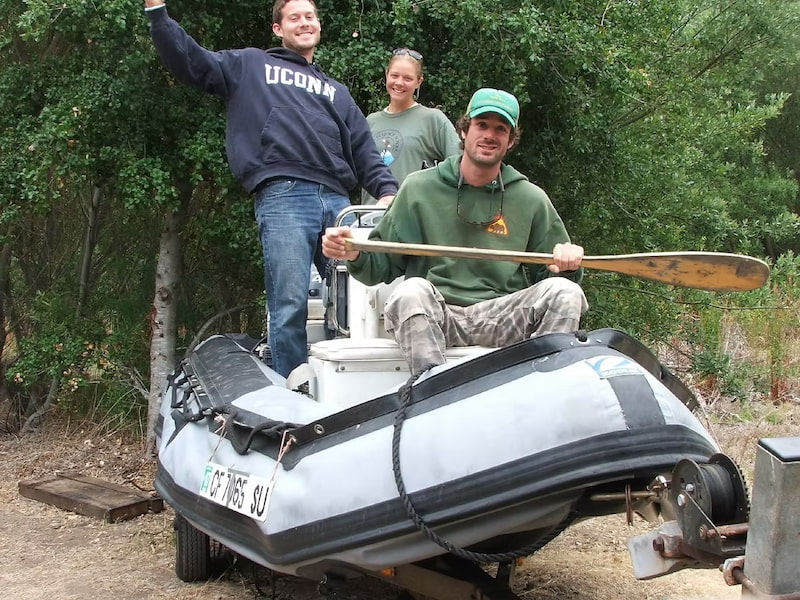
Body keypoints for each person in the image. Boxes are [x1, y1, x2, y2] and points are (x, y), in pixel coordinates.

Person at [143, 0, 398, 378]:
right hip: (284, 196)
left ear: (319, 26)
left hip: (339, 204)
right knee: (290, 305)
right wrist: (157, 13)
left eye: (310, 16)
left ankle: (347, 395)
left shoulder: (337, 92)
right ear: (278, 28)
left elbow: (364, 150)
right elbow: (191, 61)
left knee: (354, 303)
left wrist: (388, 193)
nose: (304, 22)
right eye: (294, 17)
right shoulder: (250, 65)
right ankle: (292, 402)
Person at [323, 88, 588, 375]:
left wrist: (567, 265)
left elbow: (554, 277)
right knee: (410, 292)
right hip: (437, 315)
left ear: (510, 141)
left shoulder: (531, 198)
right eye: (482, 125)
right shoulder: (418, 188)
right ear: (464, 130)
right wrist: (353, 253)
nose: (489, 135)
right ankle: (433, 395)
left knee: (566, 292)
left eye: (500, 129)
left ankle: (543, 396)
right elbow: (378, 267)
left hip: (503, 318)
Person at [362, 48, 461, 206]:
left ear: (419, 81)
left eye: (408, 78)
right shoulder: (370, 121)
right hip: (371, 218)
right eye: (394, 75)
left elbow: (459, 167)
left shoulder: (433, 119)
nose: (399, 83)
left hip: (415, 219)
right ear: (386, 74)